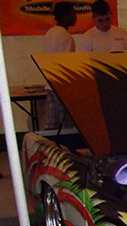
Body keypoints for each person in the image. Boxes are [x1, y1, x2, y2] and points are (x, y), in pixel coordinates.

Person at [43, 2, 77, 130]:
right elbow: (66, 64)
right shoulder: (65, 36)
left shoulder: (50, 32)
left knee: (52, 125)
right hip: (61, 86)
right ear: (66, 15)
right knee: (66, 126)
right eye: (73, 13)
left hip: (50, 84)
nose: (75, 16)